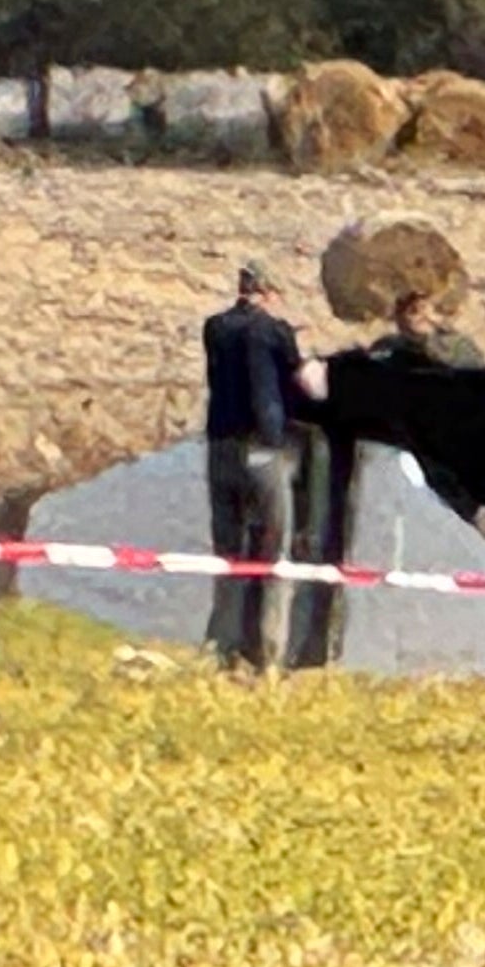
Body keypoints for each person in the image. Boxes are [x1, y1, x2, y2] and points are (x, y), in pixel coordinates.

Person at [201, 259, 309, 673]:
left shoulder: (214, 328)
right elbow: (294, 382)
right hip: (263, 447)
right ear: (268, 292)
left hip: (221, 446)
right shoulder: (274, 332)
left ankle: (224, 649)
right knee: (273, 553)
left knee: (228, 552)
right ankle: (269, 654)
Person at [372, 288, 485, 374]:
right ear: (398, 318)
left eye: (425, 307)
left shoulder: (458, 345)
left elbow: (475, 377)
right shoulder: (388, 346)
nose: (421, 315)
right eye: (413, 310)